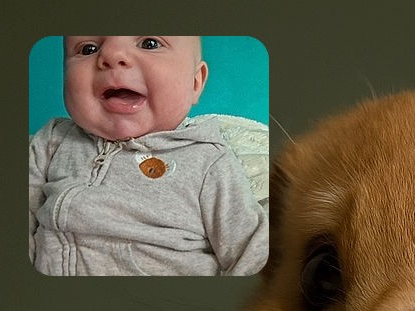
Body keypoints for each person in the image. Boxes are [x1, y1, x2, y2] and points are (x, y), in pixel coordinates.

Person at [29, 36, 268, 276]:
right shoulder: (52, 142)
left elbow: (252, 253)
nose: (112, 55)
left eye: (149, 44)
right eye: (88, 49)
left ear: (195, 82)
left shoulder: (208, 160)